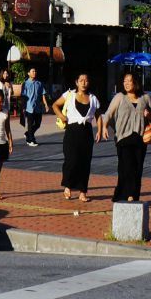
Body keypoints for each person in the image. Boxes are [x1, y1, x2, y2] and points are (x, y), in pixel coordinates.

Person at [102, 72, 151, 202]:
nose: (126, 83)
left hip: (140, 138)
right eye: (124, 81)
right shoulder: (120, 97)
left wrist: (148, 115)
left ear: (136, 82)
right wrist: (104, 127)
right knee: (126, 168)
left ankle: (130, 195)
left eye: (129, 81)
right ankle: (128, 195)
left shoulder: (145, 97)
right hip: (123, 138)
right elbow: (108, 114)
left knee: (137, 168)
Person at [52, 73, 100, 202]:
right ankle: (68, 186)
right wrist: (62, 116)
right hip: (72, 132)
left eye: (86, 80)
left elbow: (98, 115)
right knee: (71, 160)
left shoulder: (93, 98)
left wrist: (100, 130)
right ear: (76, 82)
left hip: (86, 132)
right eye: (81, 80)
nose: (84, 82)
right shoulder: (69, 95)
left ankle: (83, 191)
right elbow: (55, 105)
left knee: (85, 162)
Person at [19, 66, 47, 146]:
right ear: (28, 73)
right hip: (29, 107)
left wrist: (46, 104)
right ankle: (31, 140)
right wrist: (23, 107)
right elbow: (23, 96)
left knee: (38, 124)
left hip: (38, 107)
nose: (34, 72)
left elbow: (43, 94)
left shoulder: (39, 83)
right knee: (30, 124)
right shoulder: (25, 84)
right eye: (33, 71)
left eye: (35, 71)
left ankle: (28, 134)